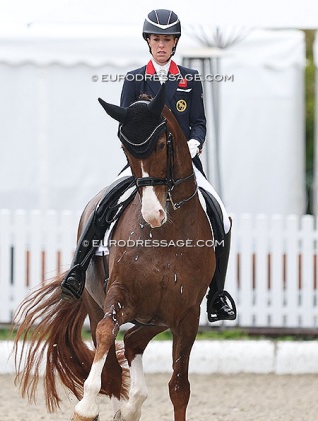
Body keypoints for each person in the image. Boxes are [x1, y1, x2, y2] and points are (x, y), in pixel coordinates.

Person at [61, 9, 236, 322]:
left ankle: (217, 295)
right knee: (102, 205)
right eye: (156, 39)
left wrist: (194, 144)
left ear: (174, 43)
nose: (161, 45)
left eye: (167, 40)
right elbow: (127, 122)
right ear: (148, 41)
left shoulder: (190, 79)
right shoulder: (134, 80)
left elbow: (199, 122)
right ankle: (77, 271)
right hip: (144, 165)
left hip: (183, 166)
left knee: (221, 216)